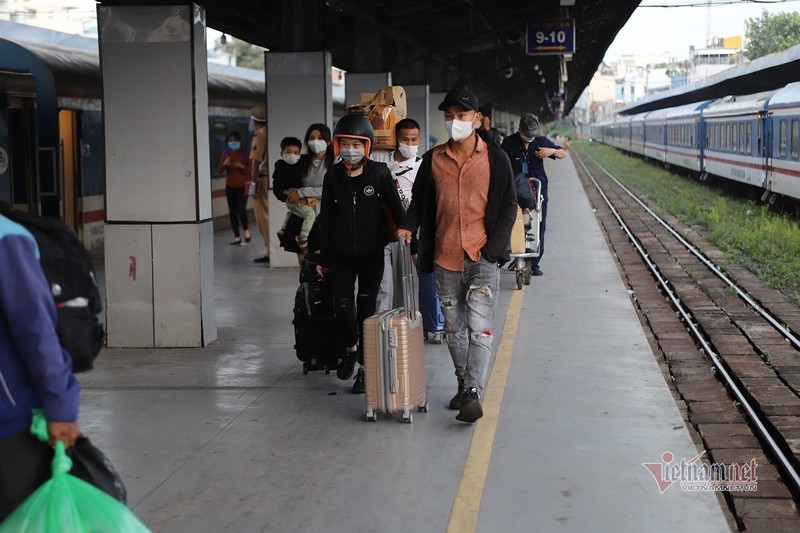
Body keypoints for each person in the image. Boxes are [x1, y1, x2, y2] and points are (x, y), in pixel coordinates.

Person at [398, 88, 517, 424]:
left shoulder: (496, 158)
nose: (455, 122)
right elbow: (419, 203)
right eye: (449, 116)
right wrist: (408, 227)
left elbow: (509, 205)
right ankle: (464, 385)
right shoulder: (433, 160)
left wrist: (493, 251)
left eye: (462, 116)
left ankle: (474, 391)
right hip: (445, 257)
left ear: (477, 119)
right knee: (453, 329)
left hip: (482, 257)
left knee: (479, 328)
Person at [316, 114, 405, 394]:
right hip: (340, 256)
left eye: (357, 143)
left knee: (366, 313)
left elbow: (397, 209)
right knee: (343, 311)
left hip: (371, 255)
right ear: (337, 145)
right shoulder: (332, 176)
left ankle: (365, 370)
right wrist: (321, 258)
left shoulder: (379, 173)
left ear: (366, 146)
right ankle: (351, 349)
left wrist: (407, 231)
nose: (350, 149)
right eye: (345, 143)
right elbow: (326, 218)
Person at [0, 214, 81, 521]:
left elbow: (35, 331)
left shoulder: (6, 239)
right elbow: (36, 330)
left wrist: (59, 405)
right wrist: (61, 406)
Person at [500, 113, 565, 276]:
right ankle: (512, 253)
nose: (530, 138)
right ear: (519, 129)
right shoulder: (508, 143)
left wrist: (551, 151)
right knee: (513, 221)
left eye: (532, 135)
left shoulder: (540, 141)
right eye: (527, 135)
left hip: (538, 189)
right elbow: (500, 164)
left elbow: (562, 153)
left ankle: (534, 262)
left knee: (538, 224)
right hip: (515, 190)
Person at [370, 118, 423, 312]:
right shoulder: (379, 157)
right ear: (396, 139)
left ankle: (402, 325)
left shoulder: (421, 166)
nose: (410, 144)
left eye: (414, 139)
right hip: (380, 229)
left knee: (404, 283)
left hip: (405, 230)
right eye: (405, 139)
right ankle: (382, 326)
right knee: (382, 284)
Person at [282, 124, 334, 262]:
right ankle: (304, 284)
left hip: (323, 217)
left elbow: (331, 189)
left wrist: (302, 192)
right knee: (303, 261)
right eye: (312, 138)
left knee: (321, 262)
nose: (315, 141)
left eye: (320, 138)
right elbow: (287, 183)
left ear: (328, 141)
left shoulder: (335, 162)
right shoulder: (302, 161)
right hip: (301, 215)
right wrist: (291, 193)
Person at [273, 137, 314, 255]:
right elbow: (277, 188)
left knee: (293, 212)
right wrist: (290, 197)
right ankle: (303, 237)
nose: (292, 155)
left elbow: (313, 155)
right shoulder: (280, 168)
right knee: (310, 214)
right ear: (282, 153)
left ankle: (283, 229)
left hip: (298, 198)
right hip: (291, 198)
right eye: (288, 152)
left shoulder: (302, 161)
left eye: (296, 153)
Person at [217, 131, 252, 246]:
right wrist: (225, 164)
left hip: (243, 186)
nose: (233, 143)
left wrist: (240, 166)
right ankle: (237, 236)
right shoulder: (226, 153)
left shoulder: (246, 153)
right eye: (231, 140)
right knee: (232, 211)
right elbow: (219, 170)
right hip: (230, 186)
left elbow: (250, 169)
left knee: (241, 209)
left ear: (240, 141)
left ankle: (246, 230)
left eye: (235, 141)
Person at [248, 105, 271, 265]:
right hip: (269, 178)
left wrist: (253, 183)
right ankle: (270, 249)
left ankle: (269, 251)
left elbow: (255, 163)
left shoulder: (260, 136)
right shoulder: (272, 132)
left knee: (263, 217)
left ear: (255, 120)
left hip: (261, 179)